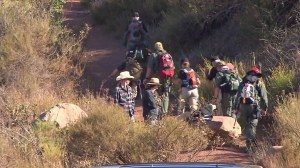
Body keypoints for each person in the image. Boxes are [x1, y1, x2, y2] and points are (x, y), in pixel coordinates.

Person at [235, 66, 268, 152]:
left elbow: (238, 96)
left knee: (246, 124)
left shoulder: (242, 83)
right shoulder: (259, 83)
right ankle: (249, 146)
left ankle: (250, 141)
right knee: (252, 125)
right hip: (254, 107)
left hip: (243, 106)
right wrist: (265, 108)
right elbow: (264, 97)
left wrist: (237, 108)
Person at [144, 42, 175, 115]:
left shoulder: (153, 55)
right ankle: (165, 111)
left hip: (157, 77)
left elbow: (149, 68)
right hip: (167, 77)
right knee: (166, 93)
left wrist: (147, 78)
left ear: (155, 48)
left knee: (156, 93)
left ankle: (158, 111)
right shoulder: (168, 55)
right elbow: (172, 68)